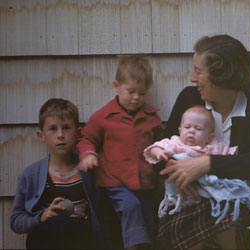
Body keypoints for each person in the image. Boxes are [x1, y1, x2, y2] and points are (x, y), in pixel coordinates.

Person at [155, 34, 250, 250]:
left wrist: (206, 164)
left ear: (221, 75)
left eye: (198, 71)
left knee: (226, 224)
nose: (192, 78)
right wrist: (179, 171)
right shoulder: (190, 99)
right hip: (188, 202)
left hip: (236, 207)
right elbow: (163, 146)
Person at [77, 55, 164, 249]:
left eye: (141, 93)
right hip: (115, 183)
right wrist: (88, 154)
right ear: (117, 86)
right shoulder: (104, 116)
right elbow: (86, 138)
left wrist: (161, 151)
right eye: (131, 91)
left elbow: (161, 141)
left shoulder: (151, 116)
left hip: (145, 182)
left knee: (149, 219)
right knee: (130, 207)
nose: (135, 97)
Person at [10, 98, 105, 249]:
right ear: (41, 135)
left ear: (78, 133)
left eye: (66, 128)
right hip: (48, 237)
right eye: (53, 129)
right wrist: (42, 216)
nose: (60, 135)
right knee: (58, 223)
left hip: (82, 238)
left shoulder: (89, 171)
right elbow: (16, 221)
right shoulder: (30, 175)